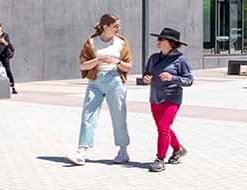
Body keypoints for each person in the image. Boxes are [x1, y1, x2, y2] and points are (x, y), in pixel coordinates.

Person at [72, 13, 131, 165]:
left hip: (115, 81)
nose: (119, 29)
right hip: (95, 81)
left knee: (119, 116)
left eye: (118, 26)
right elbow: (82, 65)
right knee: (88, 114)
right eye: (115, 26)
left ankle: (123, 150)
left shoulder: (121, 43)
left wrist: (117, 62)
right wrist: (97, 60)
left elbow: (128, 66)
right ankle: (82, 150)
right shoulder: (91, 42)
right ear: (105, 26)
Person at [136, 26, 193, 172]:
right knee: (164, 128)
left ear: (170, 42)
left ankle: (159, 159)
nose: (157, 41)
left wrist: (172, 77)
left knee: (163, 128)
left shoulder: (181, 60)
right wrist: (146, 79)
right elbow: (146, 75)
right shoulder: (154, 58)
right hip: (155, 98)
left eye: (160, 39)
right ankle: (178, 149)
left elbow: (189, 80)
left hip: (172, 98)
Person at [0, 23, 17, 94]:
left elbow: (9, 45)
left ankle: (13, 87)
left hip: (4, 56)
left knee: (8, 70)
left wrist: (3, 41)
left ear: (1, 27)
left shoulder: (5, 35)